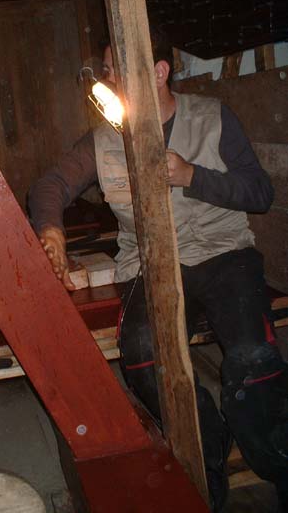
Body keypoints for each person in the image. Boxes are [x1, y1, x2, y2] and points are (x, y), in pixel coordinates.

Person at [28, 29, 288, 512]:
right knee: (143, 355)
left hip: (223, 253)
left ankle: (278, 463)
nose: (107, 81)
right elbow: (50, 185)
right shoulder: (105, 138)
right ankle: (205, 452)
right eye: (106, 71)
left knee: (253, 356)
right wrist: (52, 231)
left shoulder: (212, 118)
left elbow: (260, 193)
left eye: (115, 71)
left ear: (159, 72)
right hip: (148, 262)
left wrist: (192, 176)